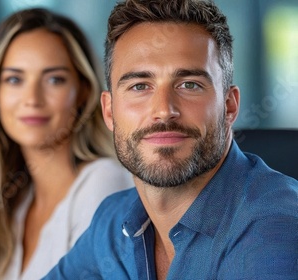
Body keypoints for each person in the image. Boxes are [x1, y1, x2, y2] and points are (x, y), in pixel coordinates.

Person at [44, 0, 298, 279]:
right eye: (140, 86)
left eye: (189, 84)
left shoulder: (276, 227)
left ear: (229, 106)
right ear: (109, 111)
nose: (164, 110)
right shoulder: (113, 221)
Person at [0, 8, 133, 280]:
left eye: (54, 79)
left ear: (83, 93)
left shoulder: (103, 182)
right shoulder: (3, 196)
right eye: (14, 79)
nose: (32, 98)